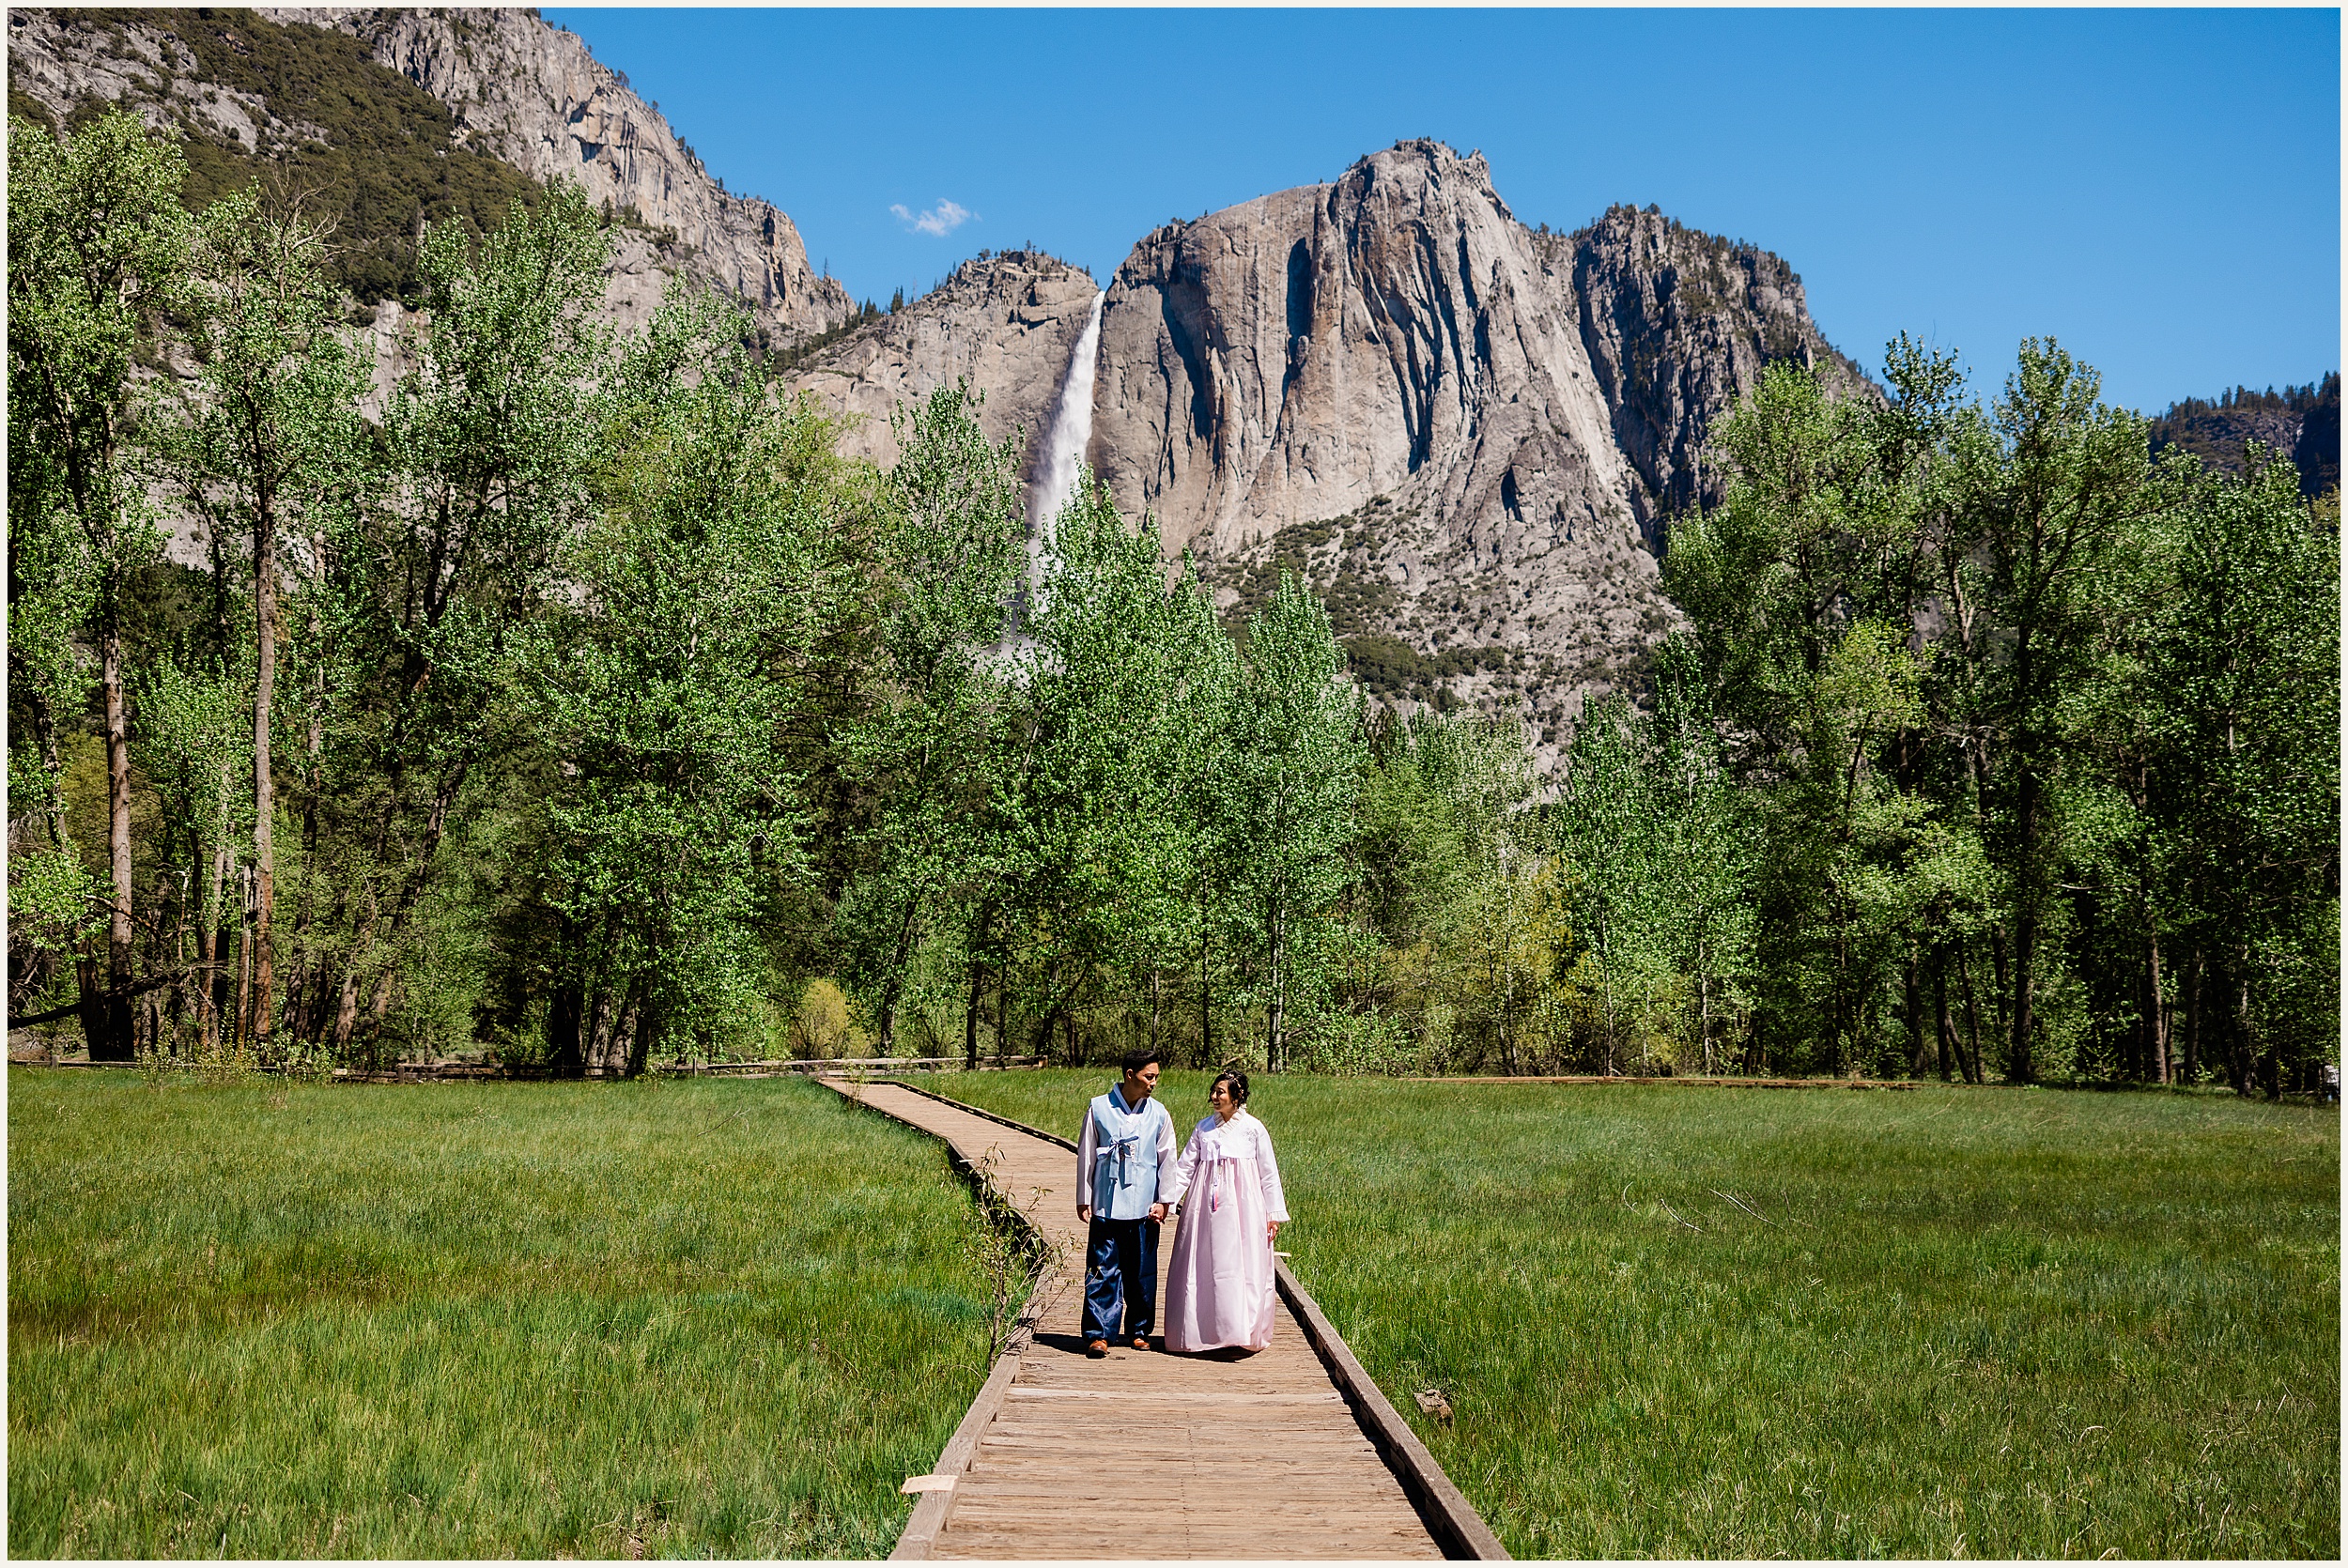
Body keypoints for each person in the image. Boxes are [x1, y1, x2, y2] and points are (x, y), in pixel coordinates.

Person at [1162, 1069, 1289, 1355]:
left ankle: (1238, 1333)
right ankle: (1203, 1332)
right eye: (1214, 1091)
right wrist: (1167, 1201)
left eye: (1221, 1091)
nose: (1215, 1097)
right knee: (1204, 1263)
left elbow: (1269, 1174)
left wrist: (1273, 1214)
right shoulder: (1204, 1128)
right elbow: (1185, 1168)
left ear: (1237, 1095)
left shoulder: (1253, 1129)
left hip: (1244, 1207)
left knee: (1240, 1264)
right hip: (1204, 1206)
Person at [1074, 1050, 1177, 1357]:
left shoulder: (1158, 1113)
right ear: (1130, 1075)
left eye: (1156, 1077)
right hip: (1106, 1204)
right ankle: (1099, 1333)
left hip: (1145, 1207)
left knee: (1142, 1271)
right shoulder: (1099, 1108)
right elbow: (1086, 1156)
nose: (1154, 1083)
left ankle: (1139, 1329)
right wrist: (1084, 1197)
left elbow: (1167, 1158)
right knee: (1102, 1269)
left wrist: (1164, 1200)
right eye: (1149, 1076)